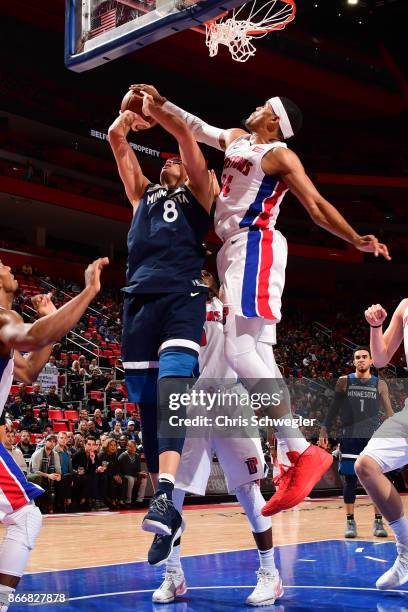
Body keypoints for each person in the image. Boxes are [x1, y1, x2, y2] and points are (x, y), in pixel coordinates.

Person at [134, 83, 391, 517]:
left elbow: (314, 203)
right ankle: (293, 456)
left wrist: (354, 238)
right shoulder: (238, 138)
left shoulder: (279, 155)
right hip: (236, 250)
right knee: (256, 353)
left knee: (238, 350)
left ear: (275, 120)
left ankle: (299, 448)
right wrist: (157, 104)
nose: (254, 106)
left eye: (263, 106)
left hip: (256, 245)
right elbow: (192, 127)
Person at [108, 99, 213, 550]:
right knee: (149, 408)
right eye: (166, 160)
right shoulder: (141, 194)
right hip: (139, 302)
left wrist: (157, 106)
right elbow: (116, 139)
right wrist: (126, 119)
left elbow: (187, 138)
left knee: (173, 390)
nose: (171, 160)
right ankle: (165, 508)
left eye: (178, 162)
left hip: (182, 295)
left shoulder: (201, 193)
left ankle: (166, 496)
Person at [151, 271, 282, 605]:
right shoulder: (183, 305)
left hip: (232, 398)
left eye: (205, 269)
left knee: (247, 487)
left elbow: (263, 359)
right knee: (175, 489)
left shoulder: (242, 305)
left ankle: (271, 573)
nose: (199, 274)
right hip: (194, 398)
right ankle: (174, 573)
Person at [0, 256, 107, 612]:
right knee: (25, 516)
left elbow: (28, 372)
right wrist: (90, 290)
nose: (6, 264)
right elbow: (32, 337)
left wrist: (46, 318)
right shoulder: (3, 318)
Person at [355, 300, 408, 589]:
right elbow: (380, 359)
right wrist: (375, 326)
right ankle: (406, 551)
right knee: (366, 466)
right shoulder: (405, 307)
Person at [319, 347, 393, 538]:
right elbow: (334, 408)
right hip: (350, 435)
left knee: (376, 481)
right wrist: (324, 428)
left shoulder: (380, 384)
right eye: (357, 358)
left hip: (372, 437)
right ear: (353, 362)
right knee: (350, 479)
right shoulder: (344, 382)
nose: (360, 360)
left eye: (364, 357)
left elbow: (389, 413)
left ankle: (378, 522)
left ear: (371, 361)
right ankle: (350, 522)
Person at [28, 434, 61, 513]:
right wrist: (48, 475)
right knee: (39, 478)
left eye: (54, 442)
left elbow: (58, 469)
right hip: (34, 477)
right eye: (50, 441)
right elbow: (34, 471)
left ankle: (59, 507)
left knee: (64, 479)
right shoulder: (38, 453)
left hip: (49, 476)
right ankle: (39, 506)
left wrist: (58, 475)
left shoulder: (55, 454)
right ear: (45, 442)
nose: (52, 443)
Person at [118, 439, 147, 506]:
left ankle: (139, 500)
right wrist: (138, 474)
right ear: (127, 447)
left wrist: (141, 474)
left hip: (134, 475)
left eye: (134, 446)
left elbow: (138, 469)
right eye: (130, 446)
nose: (132, 448)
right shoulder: (123, 456)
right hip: (124, 476)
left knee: (144, 479)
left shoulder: (137, 456)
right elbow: (126, 471)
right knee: (130, 479)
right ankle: (128, 501)